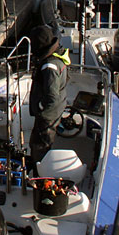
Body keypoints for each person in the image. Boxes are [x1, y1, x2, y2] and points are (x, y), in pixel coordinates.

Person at [27, 25, 68, 163]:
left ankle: (40, 175)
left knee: (39, 146)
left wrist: (40, 108)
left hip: (47, 116)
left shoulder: (49, 66)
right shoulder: (58, 58)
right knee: (40, 144)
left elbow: (51, 96)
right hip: (54, 112)